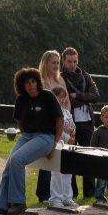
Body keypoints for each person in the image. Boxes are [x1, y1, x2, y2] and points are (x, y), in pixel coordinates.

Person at [0, 67, 64, 215]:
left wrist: (54, 144)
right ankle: (1, 204)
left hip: (45, 137)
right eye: (27, 83)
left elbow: (60, 120)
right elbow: (20, 121)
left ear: (37, 81)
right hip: (27, 136)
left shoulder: (48, 96)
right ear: (22, 85)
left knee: (17, 160)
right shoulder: (21, 99)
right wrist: (25, 136)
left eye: (33, 81)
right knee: (10, 163)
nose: (31, 85)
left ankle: (19, 203)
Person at [61, 46, 100, 198]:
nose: (73, 65)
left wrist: (77, 96)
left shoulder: (85, 76)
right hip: (70, 122)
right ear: (64, 61)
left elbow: (95, 96)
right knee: (70, 157)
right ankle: (72, 193)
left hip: (87, 122)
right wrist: (82, 97)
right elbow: (62, 98)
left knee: (88, 158)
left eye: (75, 61)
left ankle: (89, 193)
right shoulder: (62, 78)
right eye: (70, 61)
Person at [35, 50, 72, 203]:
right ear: (46, 63)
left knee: (62, 159)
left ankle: (64, 195)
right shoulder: (41, 81)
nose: (56, 65)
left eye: (58, 62)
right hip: (48, 123)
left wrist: (66, 120)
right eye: (53, 62)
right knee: (48, 157)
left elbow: (67, 101)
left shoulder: (60, 80)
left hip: (62, 122)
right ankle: (44, 194)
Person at [48, 86, 78, 208]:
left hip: (68, 146)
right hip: (57, 144)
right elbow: (55, 128)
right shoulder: (51, 112)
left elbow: (73, 126)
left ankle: (67, 197)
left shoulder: (66, 112)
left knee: (68, 172)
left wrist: (72, 132)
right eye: (58, 96)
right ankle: (55, 199)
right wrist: (66, 136)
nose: (61, 99)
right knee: (56, 173)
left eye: (63, 97)